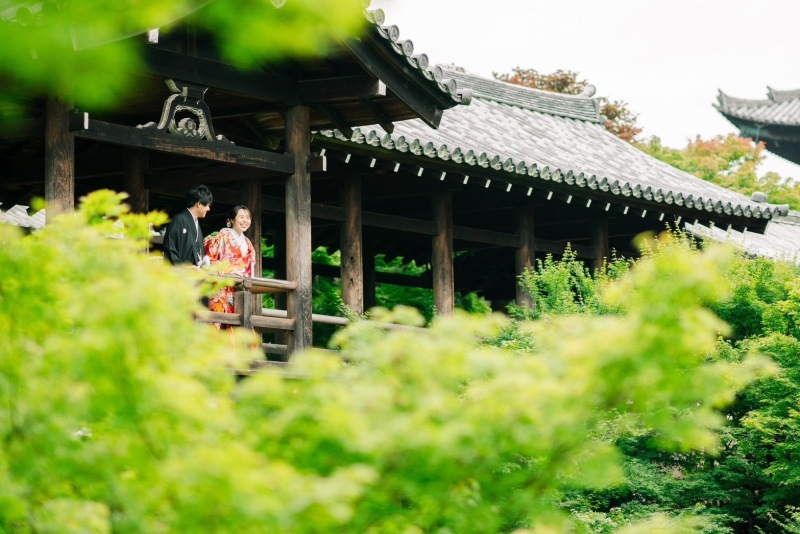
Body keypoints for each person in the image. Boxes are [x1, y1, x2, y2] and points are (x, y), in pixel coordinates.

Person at [203, 205, 257, 322]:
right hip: (221, 286)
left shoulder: (247, 242)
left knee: (239, 321)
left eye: (248, 218)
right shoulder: (220, 236)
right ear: (232, 220)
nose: (245, 221)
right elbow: (207, 256)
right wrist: (218, 266)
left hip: (238, 288)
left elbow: (249, 266)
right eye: (241, 217)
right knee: (218, 321)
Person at [162, 184, 213, 267]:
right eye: (207, 205)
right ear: (199, 204)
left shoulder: (196, 223)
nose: (208, 209)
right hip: (180, 274)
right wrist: (184, 268)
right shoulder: (179, 219)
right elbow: (169, 249)